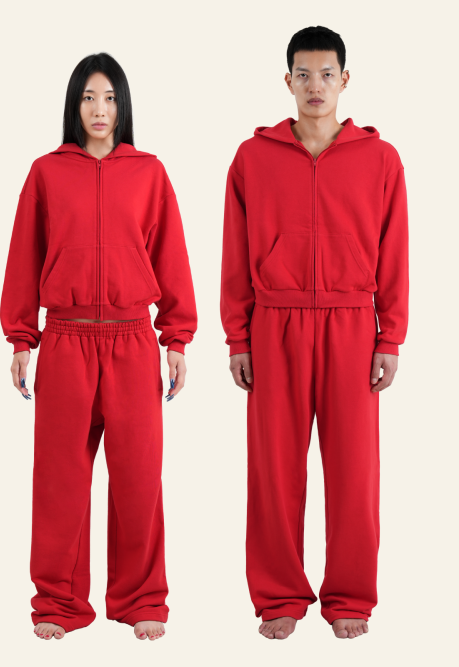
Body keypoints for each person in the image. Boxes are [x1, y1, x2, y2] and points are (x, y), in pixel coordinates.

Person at [0, 52, 197, 641]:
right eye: (88, 97)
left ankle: (141, 599)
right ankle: (59, 604)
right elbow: (24, 256)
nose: (99, 109)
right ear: (74, 104)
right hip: (65, 341)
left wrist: (176, 338)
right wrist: (21, 337)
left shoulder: (150, 173)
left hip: (133, 341)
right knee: (59, 482)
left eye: (109, 97)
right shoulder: (46, 173)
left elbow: (171, 256)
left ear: (123, 105)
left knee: (139, 479)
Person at [220, 26, 409, 640]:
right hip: (274, 322)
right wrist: (238, 337)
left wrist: (389, 337)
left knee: (354, 472)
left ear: (345, 80)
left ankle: (350, 594)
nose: (315, 86)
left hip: (352, 323)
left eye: (327, 74)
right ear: (288, 81)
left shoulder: (381, 159)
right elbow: (234, 252)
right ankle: (279, 594)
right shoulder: (252, 158)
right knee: (274, 471)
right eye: (303, 74)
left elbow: (395, 254)